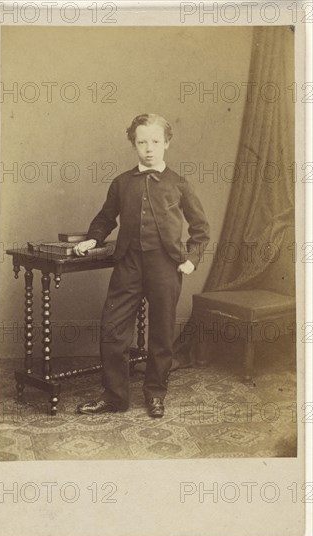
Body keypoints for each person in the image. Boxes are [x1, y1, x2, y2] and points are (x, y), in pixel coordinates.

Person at [74, 113, 210, 418]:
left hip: (166, 267)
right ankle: (114, 396)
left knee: (161, 334)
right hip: (129, 265)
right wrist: (93, 239)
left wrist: (191, 258)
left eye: (155, 142)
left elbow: (201, 227)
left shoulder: (179, 184)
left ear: (167, 144)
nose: (149, 148)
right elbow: (106, 218)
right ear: (134, 144)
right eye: (142, 142)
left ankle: (156, 394)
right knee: (112, 330)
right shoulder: (122, 183)